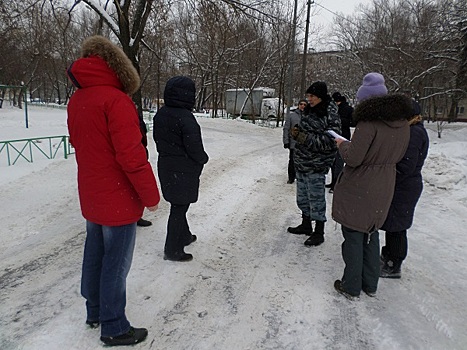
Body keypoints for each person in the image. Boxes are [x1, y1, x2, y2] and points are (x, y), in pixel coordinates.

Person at [67, 35, 160, 346]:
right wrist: (151, 195)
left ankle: (94, 311)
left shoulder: (78, 99)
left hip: (92, 195)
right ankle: (114, 326)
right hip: (118, 198)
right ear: (118, 67)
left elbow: (80, 144)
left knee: (94, 255)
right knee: (115, 264)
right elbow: (131, 155)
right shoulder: (117, 101)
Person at [331, 72, 412, 299]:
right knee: (371, 232)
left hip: (361, 184)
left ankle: (351, 285)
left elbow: (354, 158)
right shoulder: (403, 123)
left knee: (354, 234)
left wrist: (342, 144)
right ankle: (370, 283)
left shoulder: (368, 123)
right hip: (385, 182)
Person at [153, 76, 209, 262]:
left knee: (178, 205)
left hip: (166, 166)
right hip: (183, 169)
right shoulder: (186, 117)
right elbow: (194, 147)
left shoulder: (161, 113)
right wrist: (203, 159)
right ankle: (172, 249)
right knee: (179, 208)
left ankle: (184, 236)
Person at [287, 81, 341, 246]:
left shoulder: (330, 113)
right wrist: (296, 133)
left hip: (317, 164)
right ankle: (306, 224)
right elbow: (305, 130)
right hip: (302, 161)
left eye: (312, 96)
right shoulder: (309, 111)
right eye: (308, 96)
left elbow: (332, 140)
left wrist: (305, 138)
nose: (308, 99)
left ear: (320, 97)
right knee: (303, 197)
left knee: (316, 198)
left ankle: (319, 232)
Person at [380, 101, 429, 278]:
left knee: (397, 225)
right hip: (403, 184)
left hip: (405, 186)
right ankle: (388, 255)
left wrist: (388, 174)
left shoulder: (414, 133)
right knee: (393, 223)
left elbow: (406, 165)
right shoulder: (411, 130)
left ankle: (394, 263)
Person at [326, 92, 354, 192]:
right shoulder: (335, 109)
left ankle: (336, 184)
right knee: (335, 162)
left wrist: (340, 120)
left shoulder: (347, 109)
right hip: (337, 137)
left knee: (338, 162)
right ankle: (334, 182)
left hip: (342, 138)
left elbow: (353, 122)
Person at [283, 99, 307, 184]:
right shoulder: (292, 116)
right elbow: (286, 128)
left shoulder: (308, 116)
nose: (303, 106)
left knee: (303, 161)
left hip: (305, 143)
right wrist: (286, 141)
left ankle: (301, 177)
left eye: (305, 105)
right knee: (292, 161)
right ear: (298, 105)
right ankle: (291, 177)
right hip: (294, 143)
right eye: (301, 104)